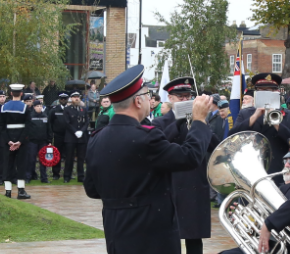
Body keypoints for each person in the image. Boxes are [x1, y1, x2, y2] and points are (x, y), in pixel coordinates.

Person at [84, 64, 213, 253]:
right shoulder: (146, 136)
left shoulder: (96, 138)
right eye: (146, 95)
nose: (149, 100)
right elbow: (190, 157)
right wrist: (200, 121)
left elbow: (92, 189)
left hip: (115, 230)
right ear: (138, 101)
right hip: (151, 234)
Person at [217, 137, 290, 254]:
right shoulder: (280, 188)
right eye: (285, 161)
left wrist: (269, 223)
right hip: (272, 247)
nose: (286, 165)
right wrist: (247, 224)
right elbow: (261, 226)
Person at [152, 77, 213, 253]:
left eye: (188, 97)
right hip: (171, 185)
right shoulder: (160, 122)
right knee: (169, 236)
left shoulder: (198, 121)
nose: (185, 100)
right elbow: (163, 141)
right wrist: (179, 119)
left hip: (194, 183)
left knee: (194, 238)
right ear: (170, 98)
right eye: (181, 97)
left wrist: (201, 123)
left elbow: (214, 144)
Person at [231, 73, 290, 174]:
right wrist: (254, 117)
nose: (266, 94)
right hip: (251, 169)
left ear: (277, 92)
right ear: (256, 93)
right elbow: (232, 137)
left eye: (270, 91)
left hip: (279, 169)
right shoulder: (245, 113)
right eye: (262, 91)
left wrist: (277, 124)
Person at [0, 86, 32, 199]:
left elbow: (1, 126)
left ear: (11, 93)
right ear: (21, 93)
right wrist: (20, 141)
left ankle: (8, 191)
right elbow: (28, 126)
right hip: (21, 139)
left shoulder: (3, 107)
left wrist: (9, 141)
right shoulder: (25, 107)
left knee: (7, 164)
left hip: (8, 139)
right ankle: (21, 191)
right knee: (21, 164)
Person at [61, 92, 90, 182]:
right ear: (71, 98)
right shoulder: (67, 109)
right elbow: (66, 122)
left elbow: (86, 121)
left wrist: (82, 131)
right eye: (74, 97)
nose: (76, 99)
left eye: (78, 97)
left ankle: (81, 176)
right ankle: (67, 176)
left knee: (81, 158)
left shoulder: (83, 109)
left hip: (82, 137)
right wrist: (75, 131)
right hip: (71, 137)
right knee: (69, 157)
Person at [27, 96, 52, 183]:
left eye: (40, 106)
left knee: (43, 160)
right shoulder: (30, 116)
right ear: (34, 107)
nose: (39, 108)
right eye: (37, 106)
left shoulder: (45, 115)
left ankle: (44, 178)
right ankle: (29, 176)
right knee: (31, 160)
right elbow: (27, 129)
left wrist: (49, 141)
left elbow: (49, 129)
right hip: (32, 141)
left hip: (43, 141)